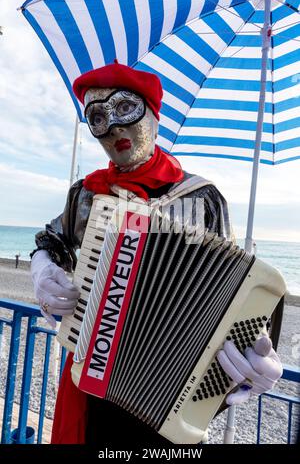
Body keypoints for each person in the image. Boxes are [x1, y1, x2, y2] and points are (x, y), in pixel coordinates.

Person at [30, 62, 282, 445]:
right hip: (93, 377)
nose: (114, 128)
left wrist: (256, 355)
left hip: (171, 387)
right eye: (98, 118)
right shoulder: (86, 194)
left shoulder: (202, 198)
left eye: (125, 109)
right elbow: (52, 242)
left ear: (152, 113)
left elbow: (236, 293)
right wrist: (42, 271)